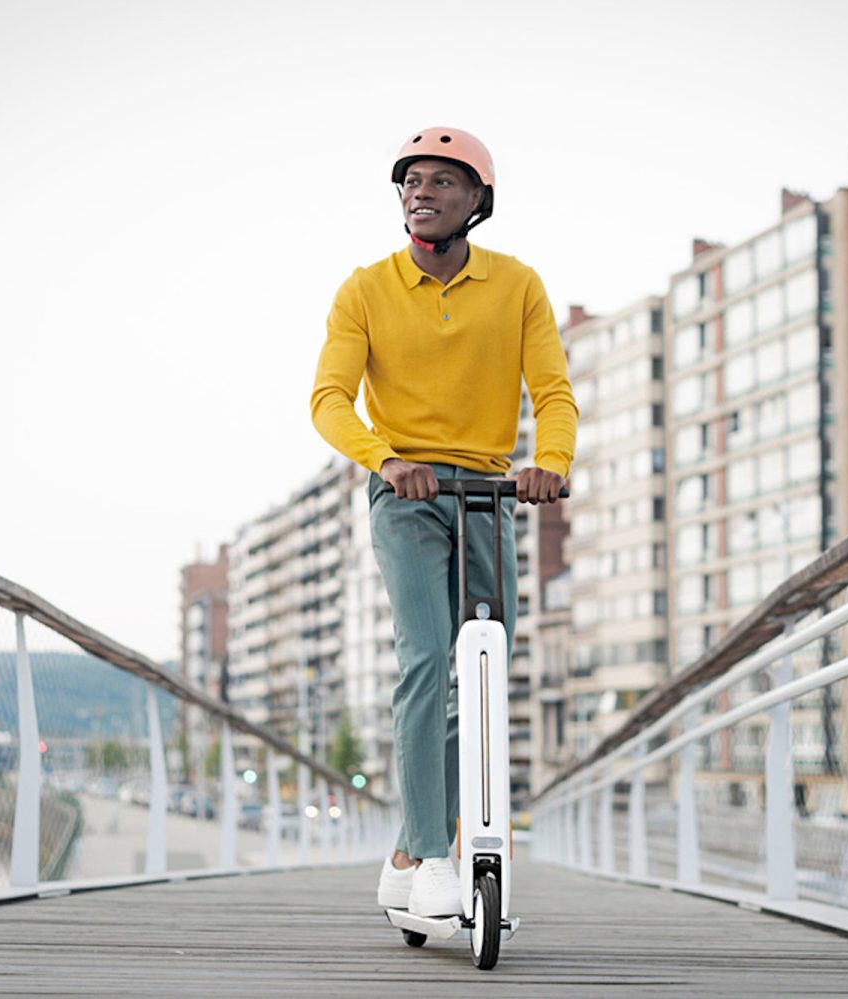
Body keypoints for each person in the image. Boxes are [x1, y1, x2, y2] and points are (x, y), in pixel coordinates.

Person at [309, 126, 578, 917]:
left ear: (477, 201)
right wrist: (386, 460)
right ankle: (432, 853)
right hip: (410, 495)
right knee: (427, 658)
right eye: (409, 182)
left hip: (491, 495)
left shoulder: (517, 284)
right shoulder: (365, 289)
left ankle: (406, 840)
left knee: (484, 674)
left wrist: (551, 463)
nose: (420, 192)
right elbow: (329, 399)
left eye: (440, 182)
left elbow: (552, 391)